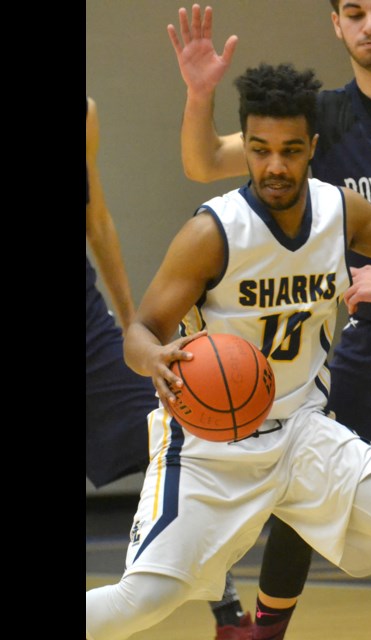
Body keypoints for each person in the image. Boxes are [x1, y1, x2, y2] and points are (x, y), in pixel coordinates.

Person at [84, 61, 371, 640]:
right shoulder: (212, 233)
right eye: (260, 150)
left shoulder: (338, 211)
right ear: (247, 149)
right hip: (209, 448)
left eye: (290, 150)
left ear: (312, 146)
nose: (274, 165)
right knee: (144, 601)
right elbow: (143, 329)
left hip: (302, 432)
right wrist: (154, 358)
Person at [85, 96, 254, 640]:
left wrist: (131, 320)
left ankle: (226, 610)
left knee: (166, 432)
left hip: (87, 317)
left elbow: (98, 220)